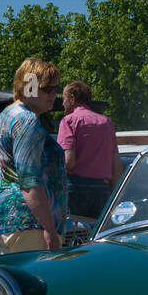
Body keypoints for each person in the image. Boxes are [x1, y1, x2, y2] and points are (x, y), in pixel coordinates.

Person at [0, 57, 66, 253]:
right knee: (37, 282)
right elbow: (29, 181)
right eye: (47, 88)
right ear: (29, 87)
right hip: (30, 224)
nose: (54, 94)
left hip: (8, 222)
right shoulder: (26, 121)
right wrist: (49, 228)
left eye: (56, 88)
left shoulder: (6, 116)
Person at [56, 81, 122, 218]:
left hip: (75, 189)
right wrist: (115, 195)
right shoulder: (106, 122)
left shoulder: (68, 121)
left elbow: (68, 162)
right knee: (97, 236)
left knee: (75, 237)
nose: (63, 104)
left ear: (72, 99)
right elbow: (116, 163)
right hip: (102, 189)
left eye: (64, 99)